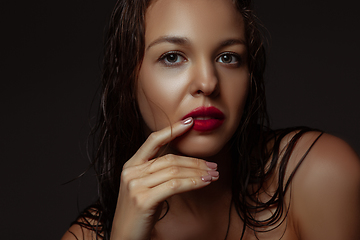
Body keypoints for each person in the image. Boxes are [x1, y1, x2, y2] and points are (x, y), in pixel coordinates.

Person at [62, 0, 360, 239]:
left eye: (228, 57)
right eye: (173, 57)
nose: (207, 82)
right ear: (128, 77)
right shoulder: (88, 236)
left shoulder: (319, 175)